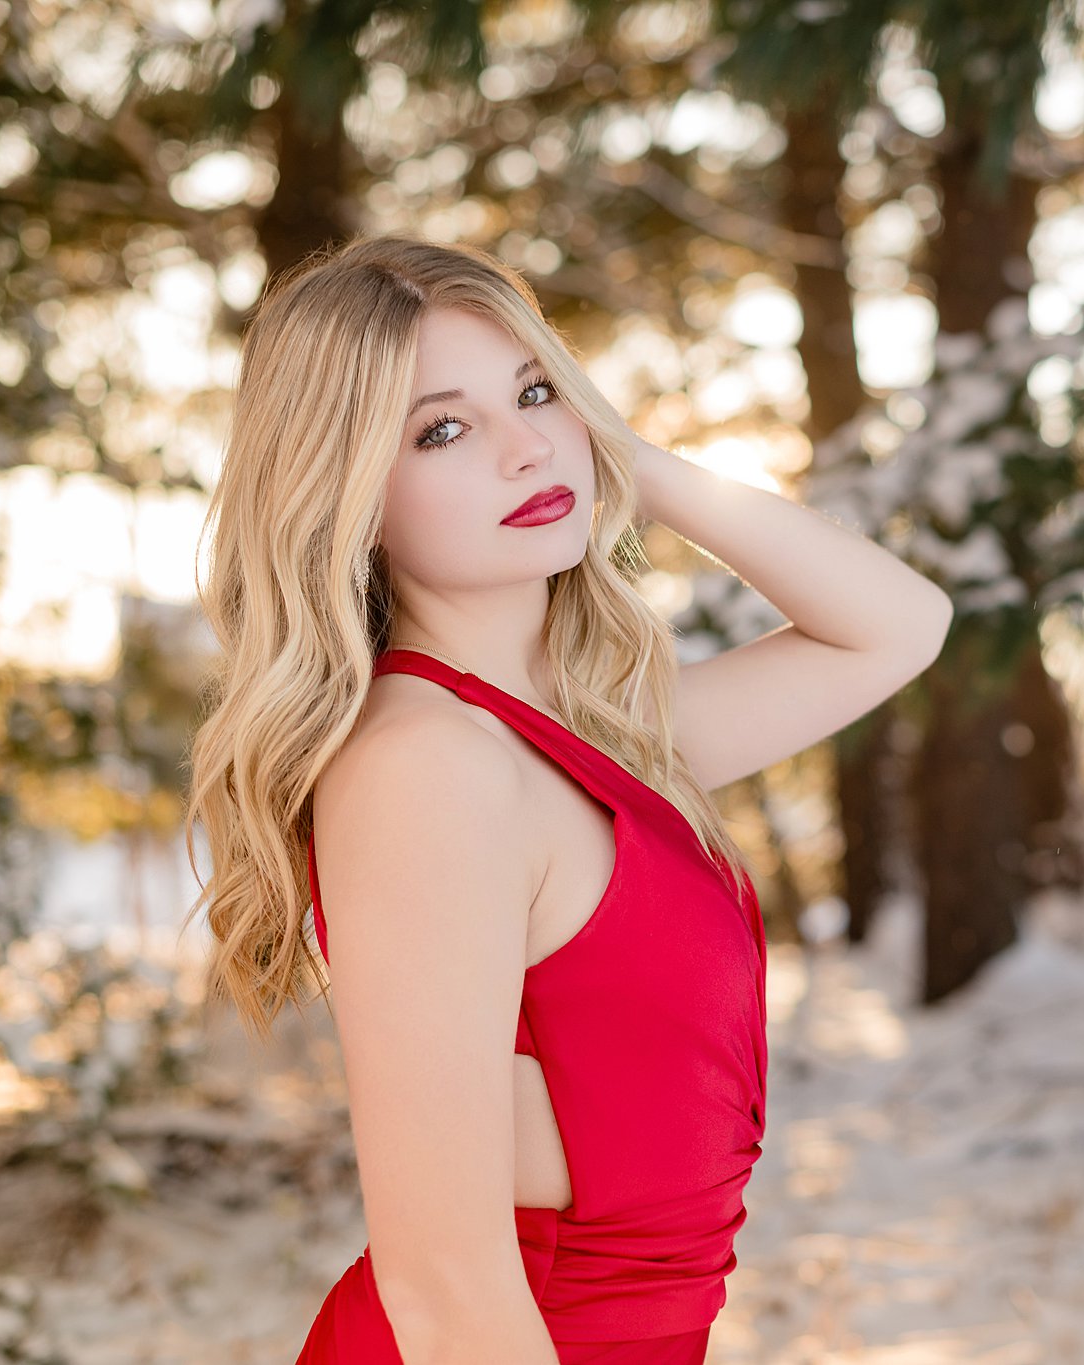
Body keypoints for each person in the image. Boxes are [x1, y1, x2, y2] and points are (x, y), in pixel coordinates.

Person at [182, 234, 953, 1364]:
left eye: (535, 392)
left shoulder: (589, 736)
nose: (524, 448)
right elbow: (444, 1288)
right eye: (441, 429)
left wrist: (635, 463)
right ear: (346, 494)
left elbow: (897, 627)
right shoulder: (427, 770)